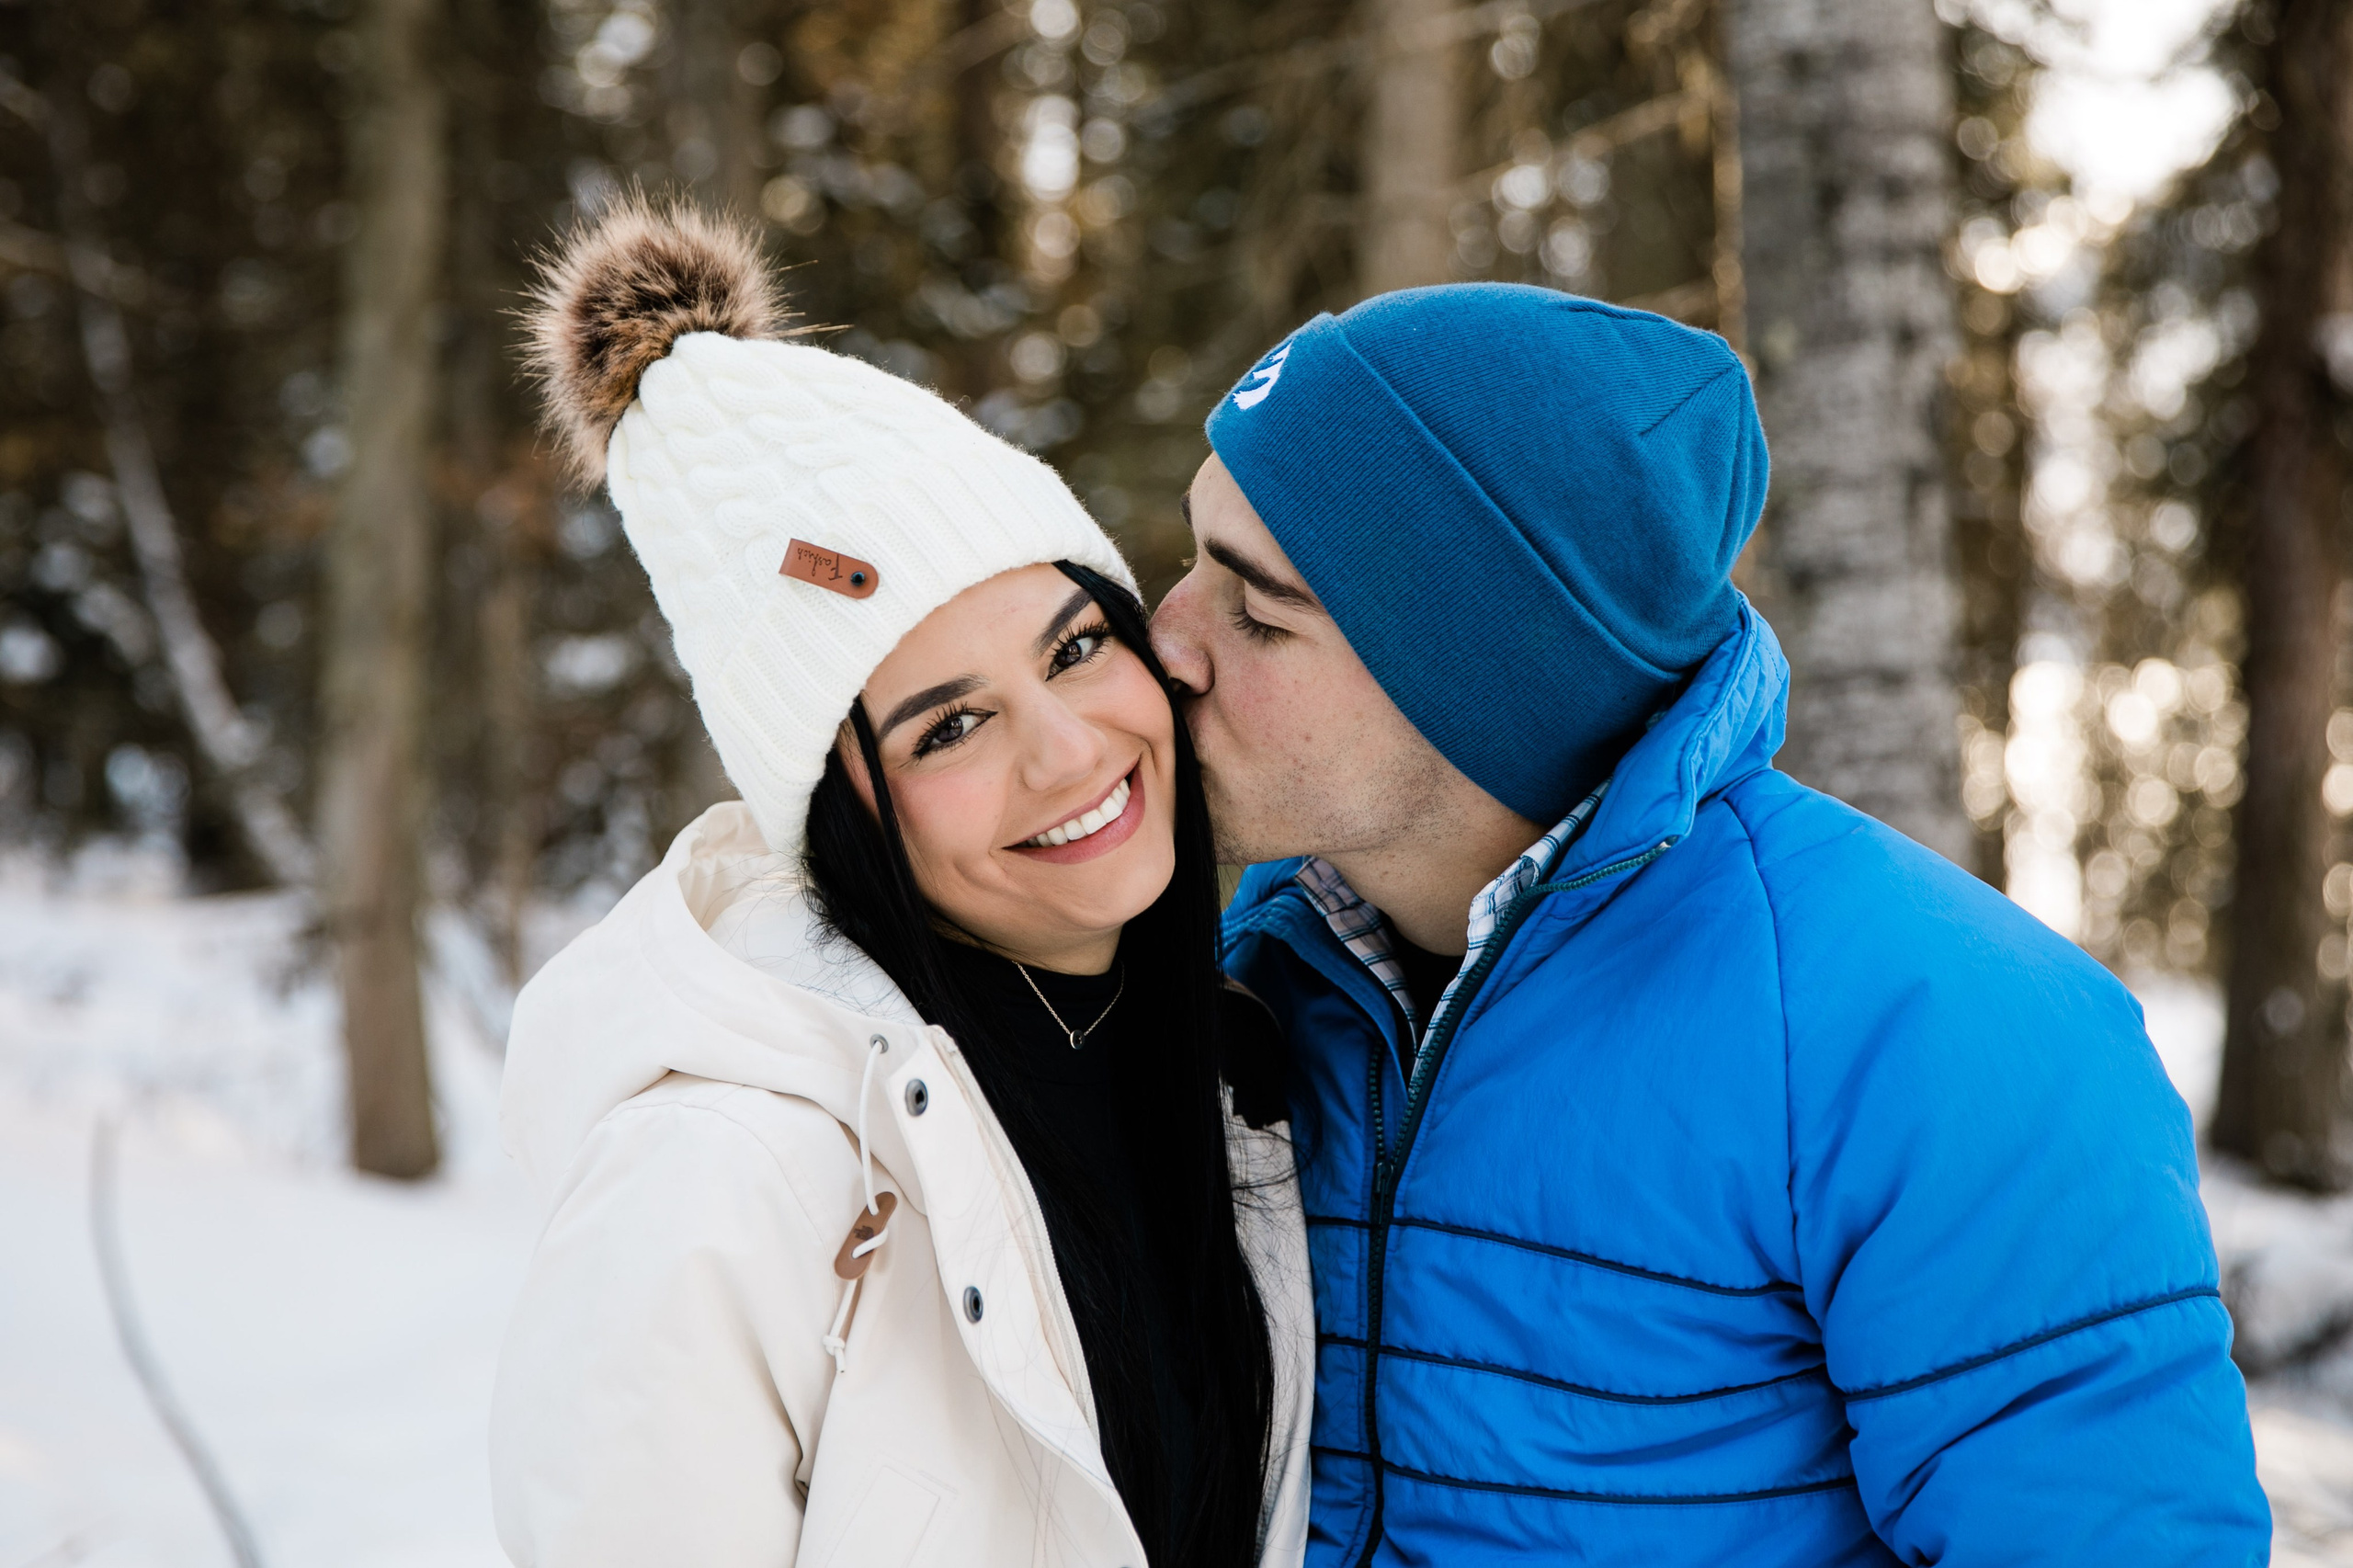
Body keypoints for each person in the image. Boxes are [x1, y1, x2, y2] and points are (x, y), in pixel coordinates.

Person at [1149, 285, 2270, 1565]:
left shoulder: (1936, 1028)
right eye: (1190, 559)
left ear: (1474, 680)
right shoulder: (1253, 971)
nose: (1163, 639)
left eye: (1257, 608)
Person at [488, 200, 1312, 1568]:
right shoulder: (718, 1187)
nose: (1070, 753)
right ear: (840, 819)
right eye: (948, 726)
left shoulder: (1243, 1065)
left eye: (1072, 649)